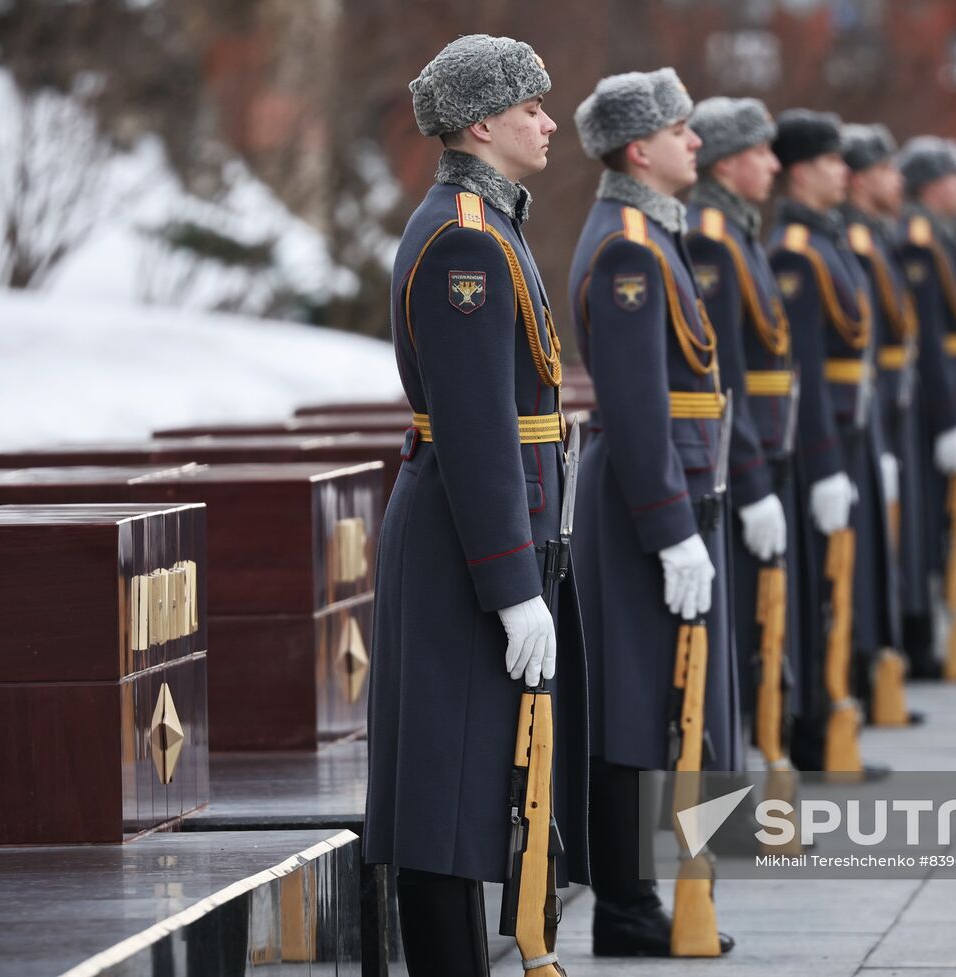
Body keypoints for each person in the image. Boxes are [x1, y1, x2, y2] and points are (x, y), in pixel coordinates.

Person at [362, 35, 589, 977]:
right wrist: (509, 584)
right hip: (467, 538)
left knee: (470, 780)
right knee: (446, 794)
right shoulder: (465, 236)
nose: (546, 120)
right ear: (480, 123)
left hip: (488, 527)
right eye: (529, 105)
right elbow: (475, 428)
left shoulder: (490, 223)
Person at [568, 67, 738, 957]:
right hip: (643, 497)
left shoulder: (650, 234)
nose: (695, 142)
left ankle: (632, 902)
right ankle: (626, 906)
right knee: (632, 707)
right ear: (641, 148)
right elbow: (637, 408)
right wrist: (672, 527)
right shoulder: (631, 247)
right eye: (681, 129)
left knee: (649, 703)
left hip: (662, 486)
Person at [769, 108, 910, 771]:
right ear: (801, 171)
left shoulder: (827, 243)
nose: (842, 172)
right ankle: (815, 732)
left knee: (845, 581)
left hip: (852, 432)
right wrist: (825, 461)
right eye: (830, 162)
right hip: (820, 444)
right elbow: (807, 371)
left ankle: (832, 720)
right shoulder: (797, 252)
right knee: (825, 589)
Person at [682, 97, 795, 732]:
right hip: (743, 457)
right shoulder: (711, 239)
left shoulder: (738, 231)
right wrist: (751, 482)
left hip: (767, 448)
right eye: (759, 151)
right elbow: (723, 376)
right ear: (726, 163)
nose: (773, 164)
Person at [838, 123, 952, 681]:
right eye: (884, 169)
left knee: (909, 534)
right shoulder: (856, 242)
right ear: (859, 180)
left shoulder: (876, 237)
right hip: (873, 406)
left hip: (892, 401)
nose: (896, 179)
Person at [894, 136, 956, 679]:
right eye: (952, 177)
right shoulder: (919, 241)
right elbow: (926, 334)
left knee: (934, 523)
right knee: (920, 525)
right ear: (931, 185)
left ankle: (927, 638)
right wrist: (947, 416)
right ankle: (918, 642)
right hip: (925, 401)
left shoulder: (939, 235)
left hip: (942, 391)